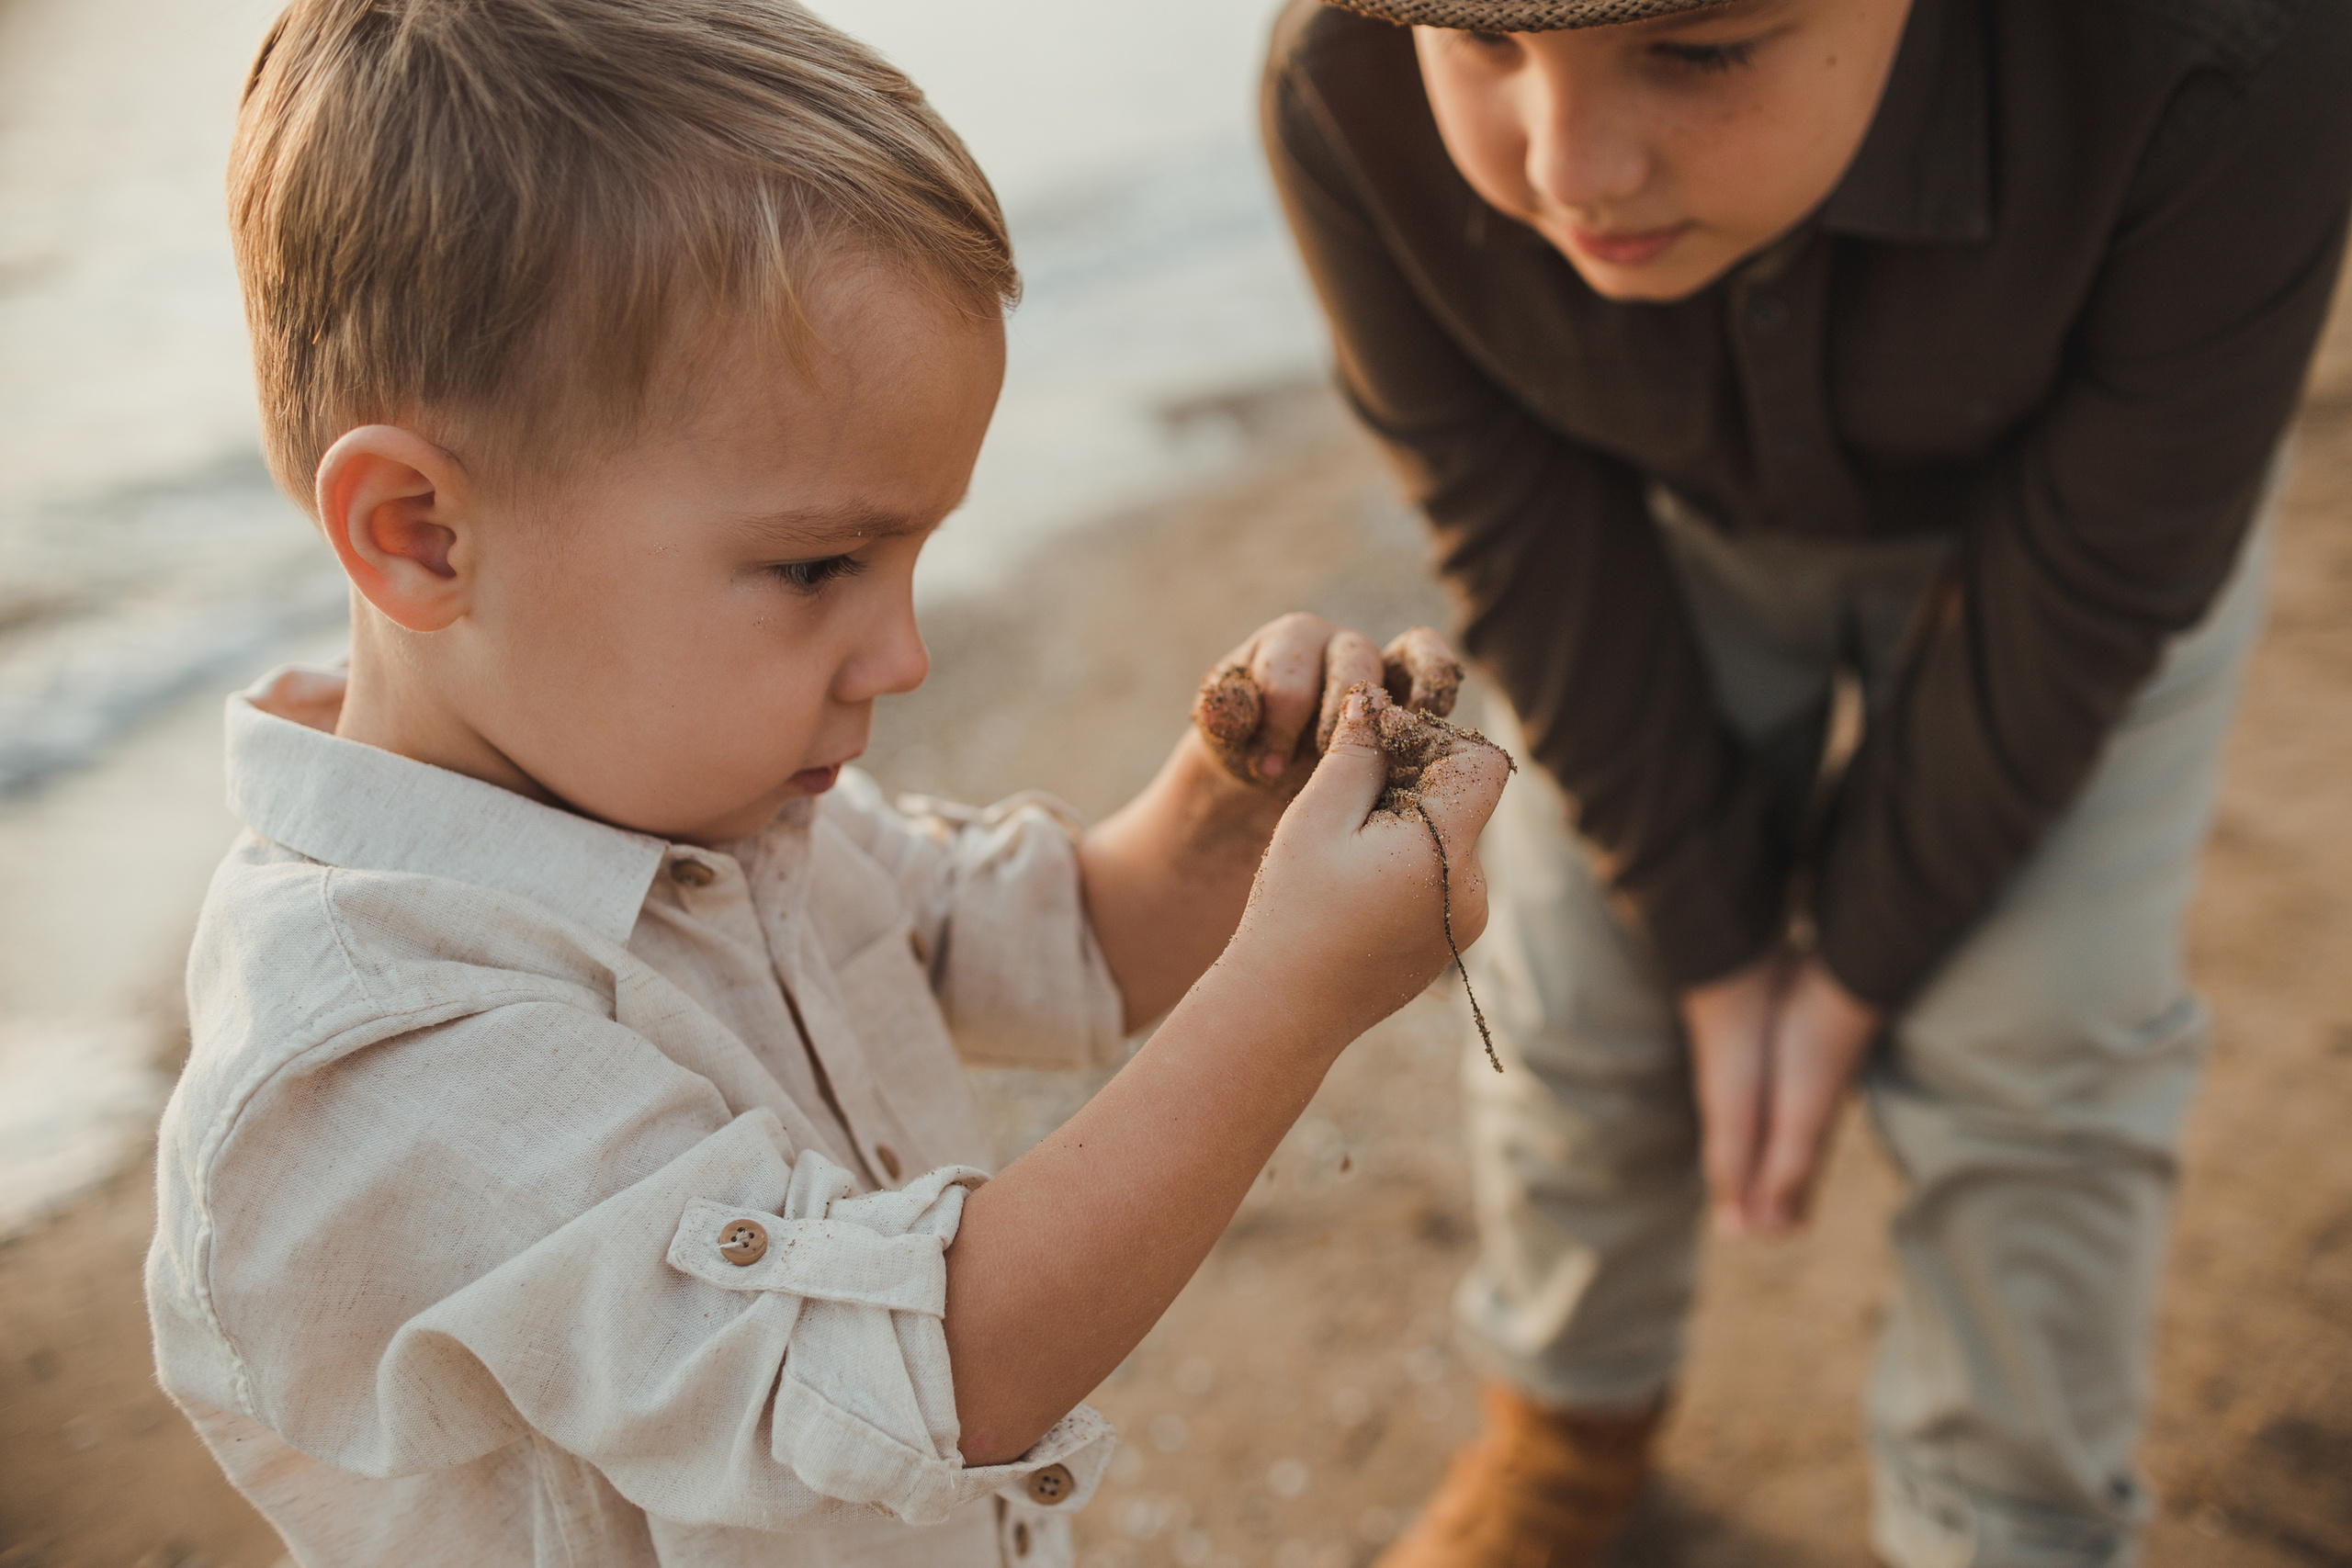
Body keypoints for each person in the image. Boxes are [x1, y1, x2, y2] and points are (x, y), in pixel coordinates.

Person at [142, 3, 1510, 1564]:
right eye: (817, 565)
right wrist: (1296, 995)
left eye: (913, 556)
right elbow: (933, 1379)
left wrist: (1234, 811)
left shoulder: (709, 800)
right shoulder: (387, 1051)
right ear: (420, 535)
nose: (904, 655)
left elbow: (1078, 934)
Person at [1260, 0, 2352, 1562]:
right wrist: (1710, 948)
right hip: (1650, 540)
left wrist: (1851, 967)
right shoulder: (1339, 83)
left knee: (2036, 1057)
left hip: (2089, 547)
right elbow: (1517, 528)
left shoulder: (2240, 49)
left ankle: (2006, 1525)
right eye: (1485, 47)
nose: (1570, 166)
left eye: (1698, 50)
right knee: (1577, 996)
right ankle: (1568, 1426)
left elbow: (2105, 582)